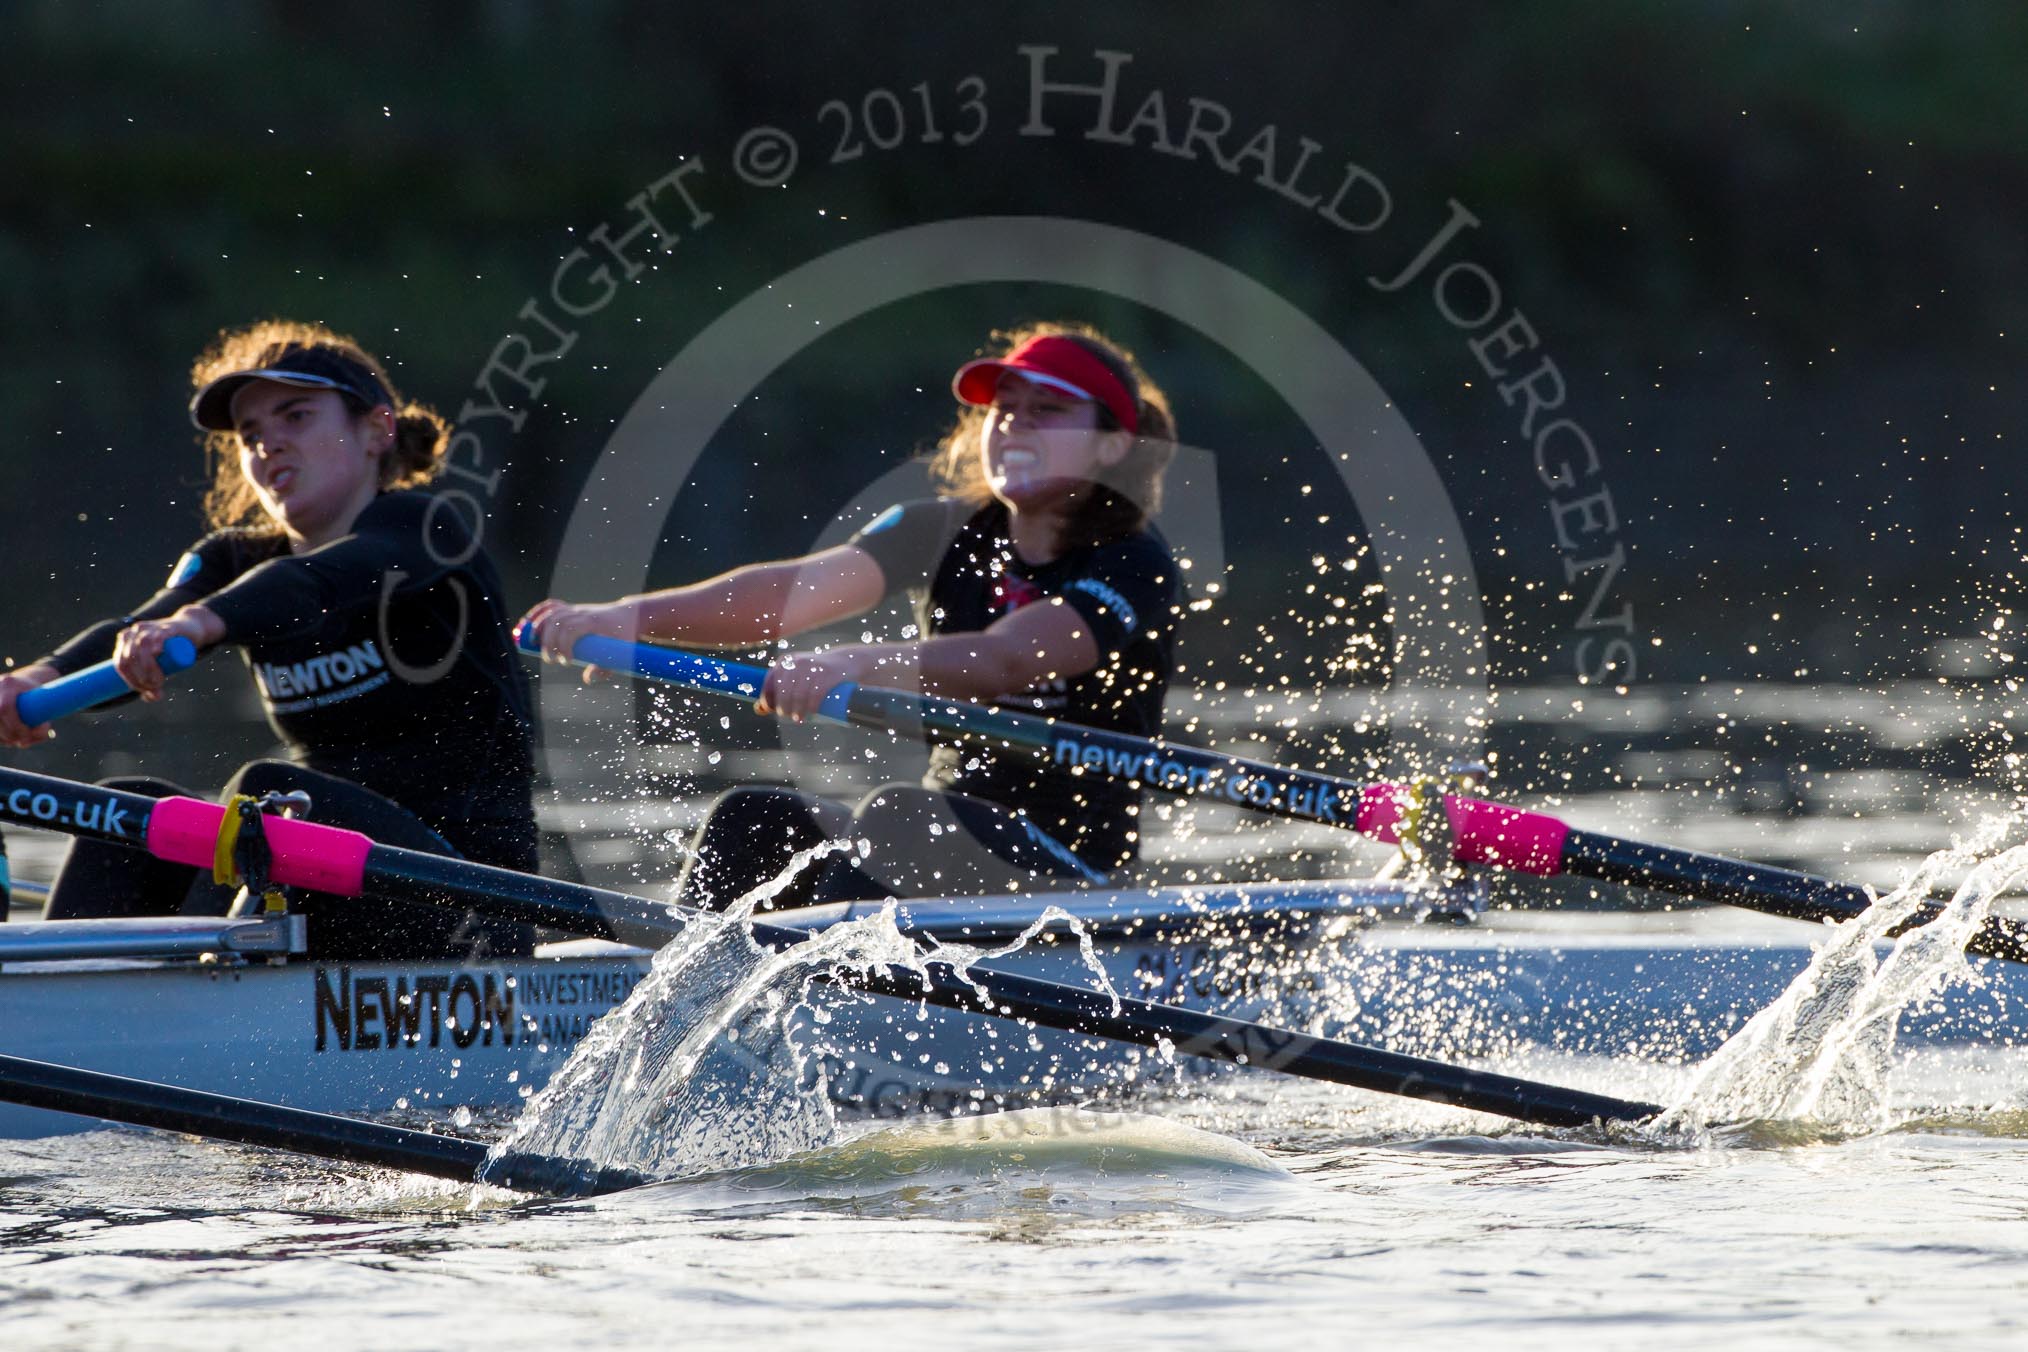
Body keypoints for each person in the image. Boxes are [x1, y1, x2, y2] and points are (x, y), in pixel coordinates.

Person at [524, 322, 1183, 913]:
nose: (1014, 426)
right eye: (1003, 411)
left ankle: (809, 1010)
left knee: (898, 816)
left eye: (1048, 411)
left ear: (1112, 446)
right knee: (753, 818)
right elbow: (784, 595)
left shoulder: (1131, 562)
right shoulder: (938, 530)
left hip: (1077, 871)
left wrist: (849, 663)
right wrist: (623, 617)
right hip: (944, 839)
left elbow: (1005, 658)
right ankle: (671, 1007)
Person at [0, 320, 536, 960]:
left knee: (266, 795)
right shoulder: (231, 562)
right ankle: (57, 998)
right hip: (328, 883)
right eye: (251, 435)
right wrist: (34, 678)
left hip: (472, 904)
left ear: (377, 430)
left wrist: (200, 624)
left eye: (296, 417)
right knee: (126, 812)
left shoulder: (425, 532)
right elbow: (134, 631)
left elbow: (311, 583)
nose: (267, 446)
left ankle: (195, 988)